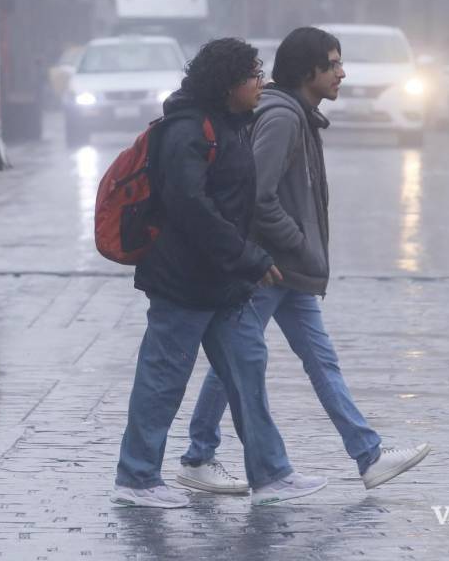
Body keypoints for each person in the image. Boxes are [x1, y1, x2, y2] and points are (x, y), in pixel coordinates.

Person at [176, 27, 431, 495]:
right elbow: (259, 194)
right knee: (236, 360)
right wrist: (297, 242)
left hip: (288, 269)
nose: (342, 73)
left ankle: (368, 455)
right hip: (269, 268)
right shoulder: (284, 118)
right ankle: (199, 456)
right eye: (333, 64)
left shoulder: (300, 115)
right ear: (307, 71)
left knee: (316, 359)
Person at [112, 38, 328, 508]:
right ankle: (137, 477)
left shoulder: (232, 124)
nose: (262, 83)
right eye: (253, 76)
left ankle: (270, 474)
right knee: (163, 378)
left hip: (224, 284)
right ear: (228, 84)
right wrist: (250, 256)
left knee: (248, 371)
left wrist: (243, 262)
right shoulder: (187, 130)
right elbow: (192, 208)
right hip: (183, 282)